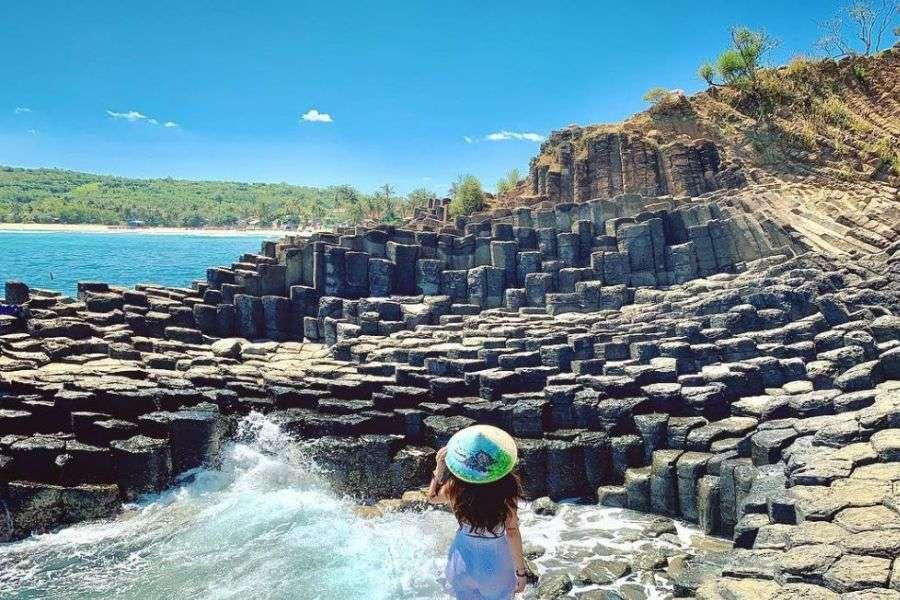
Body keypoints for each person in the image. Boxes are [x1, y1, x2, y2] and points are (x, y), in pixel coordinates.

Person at [427, 424, 527, 599]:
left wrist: (439, 469)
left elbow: (433, 497)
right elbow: (511, 532)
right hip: (494, 565)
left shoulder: (457, 487)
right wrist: (521, 572)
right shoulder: (506, 488)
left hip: (462, 562)